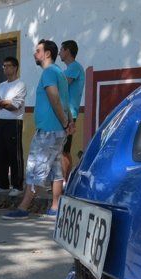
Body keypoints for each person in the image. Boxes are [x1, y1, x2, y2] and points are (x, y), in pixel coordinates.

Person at [3, 39, 74, 220]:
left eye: (38, 51)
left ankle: (24, 208)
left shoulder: (49, 72)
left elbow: (55, 99)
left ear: (47, 53)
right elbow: (67, 101)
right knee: (56, 169)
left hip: (49, 130)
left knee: (35, 167)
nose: (35, 54)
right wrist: (68, 122)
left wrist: (65, 122)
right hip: (57, 130)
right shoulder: (59, 73)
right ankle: (55, 207)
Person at [0, 56, 26, 197]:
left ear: (15, 67)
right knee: (0, 153)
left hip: (14, 121)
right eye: (3, 66)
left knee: (14, 154)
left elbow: (14, 106)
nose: (5, 68)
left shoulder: (20, 85)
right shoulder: (2, 85)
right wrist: (5, 102)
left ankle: (17, 185)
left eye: (8, 65)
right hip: (1, 121)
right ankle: (2, 184)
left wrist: (2, 103)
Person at [59, 40, 85, 182]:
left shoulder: (74, 67)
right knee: (63, 150)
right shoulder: (70, 69)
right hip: (66, 113)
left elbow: (61, 86)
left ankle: (64, 181)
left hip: (69, 114)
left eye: (61, 50)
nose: (59, 53)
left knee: (63, 150)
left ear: (67, 51)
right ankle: (65, 180)